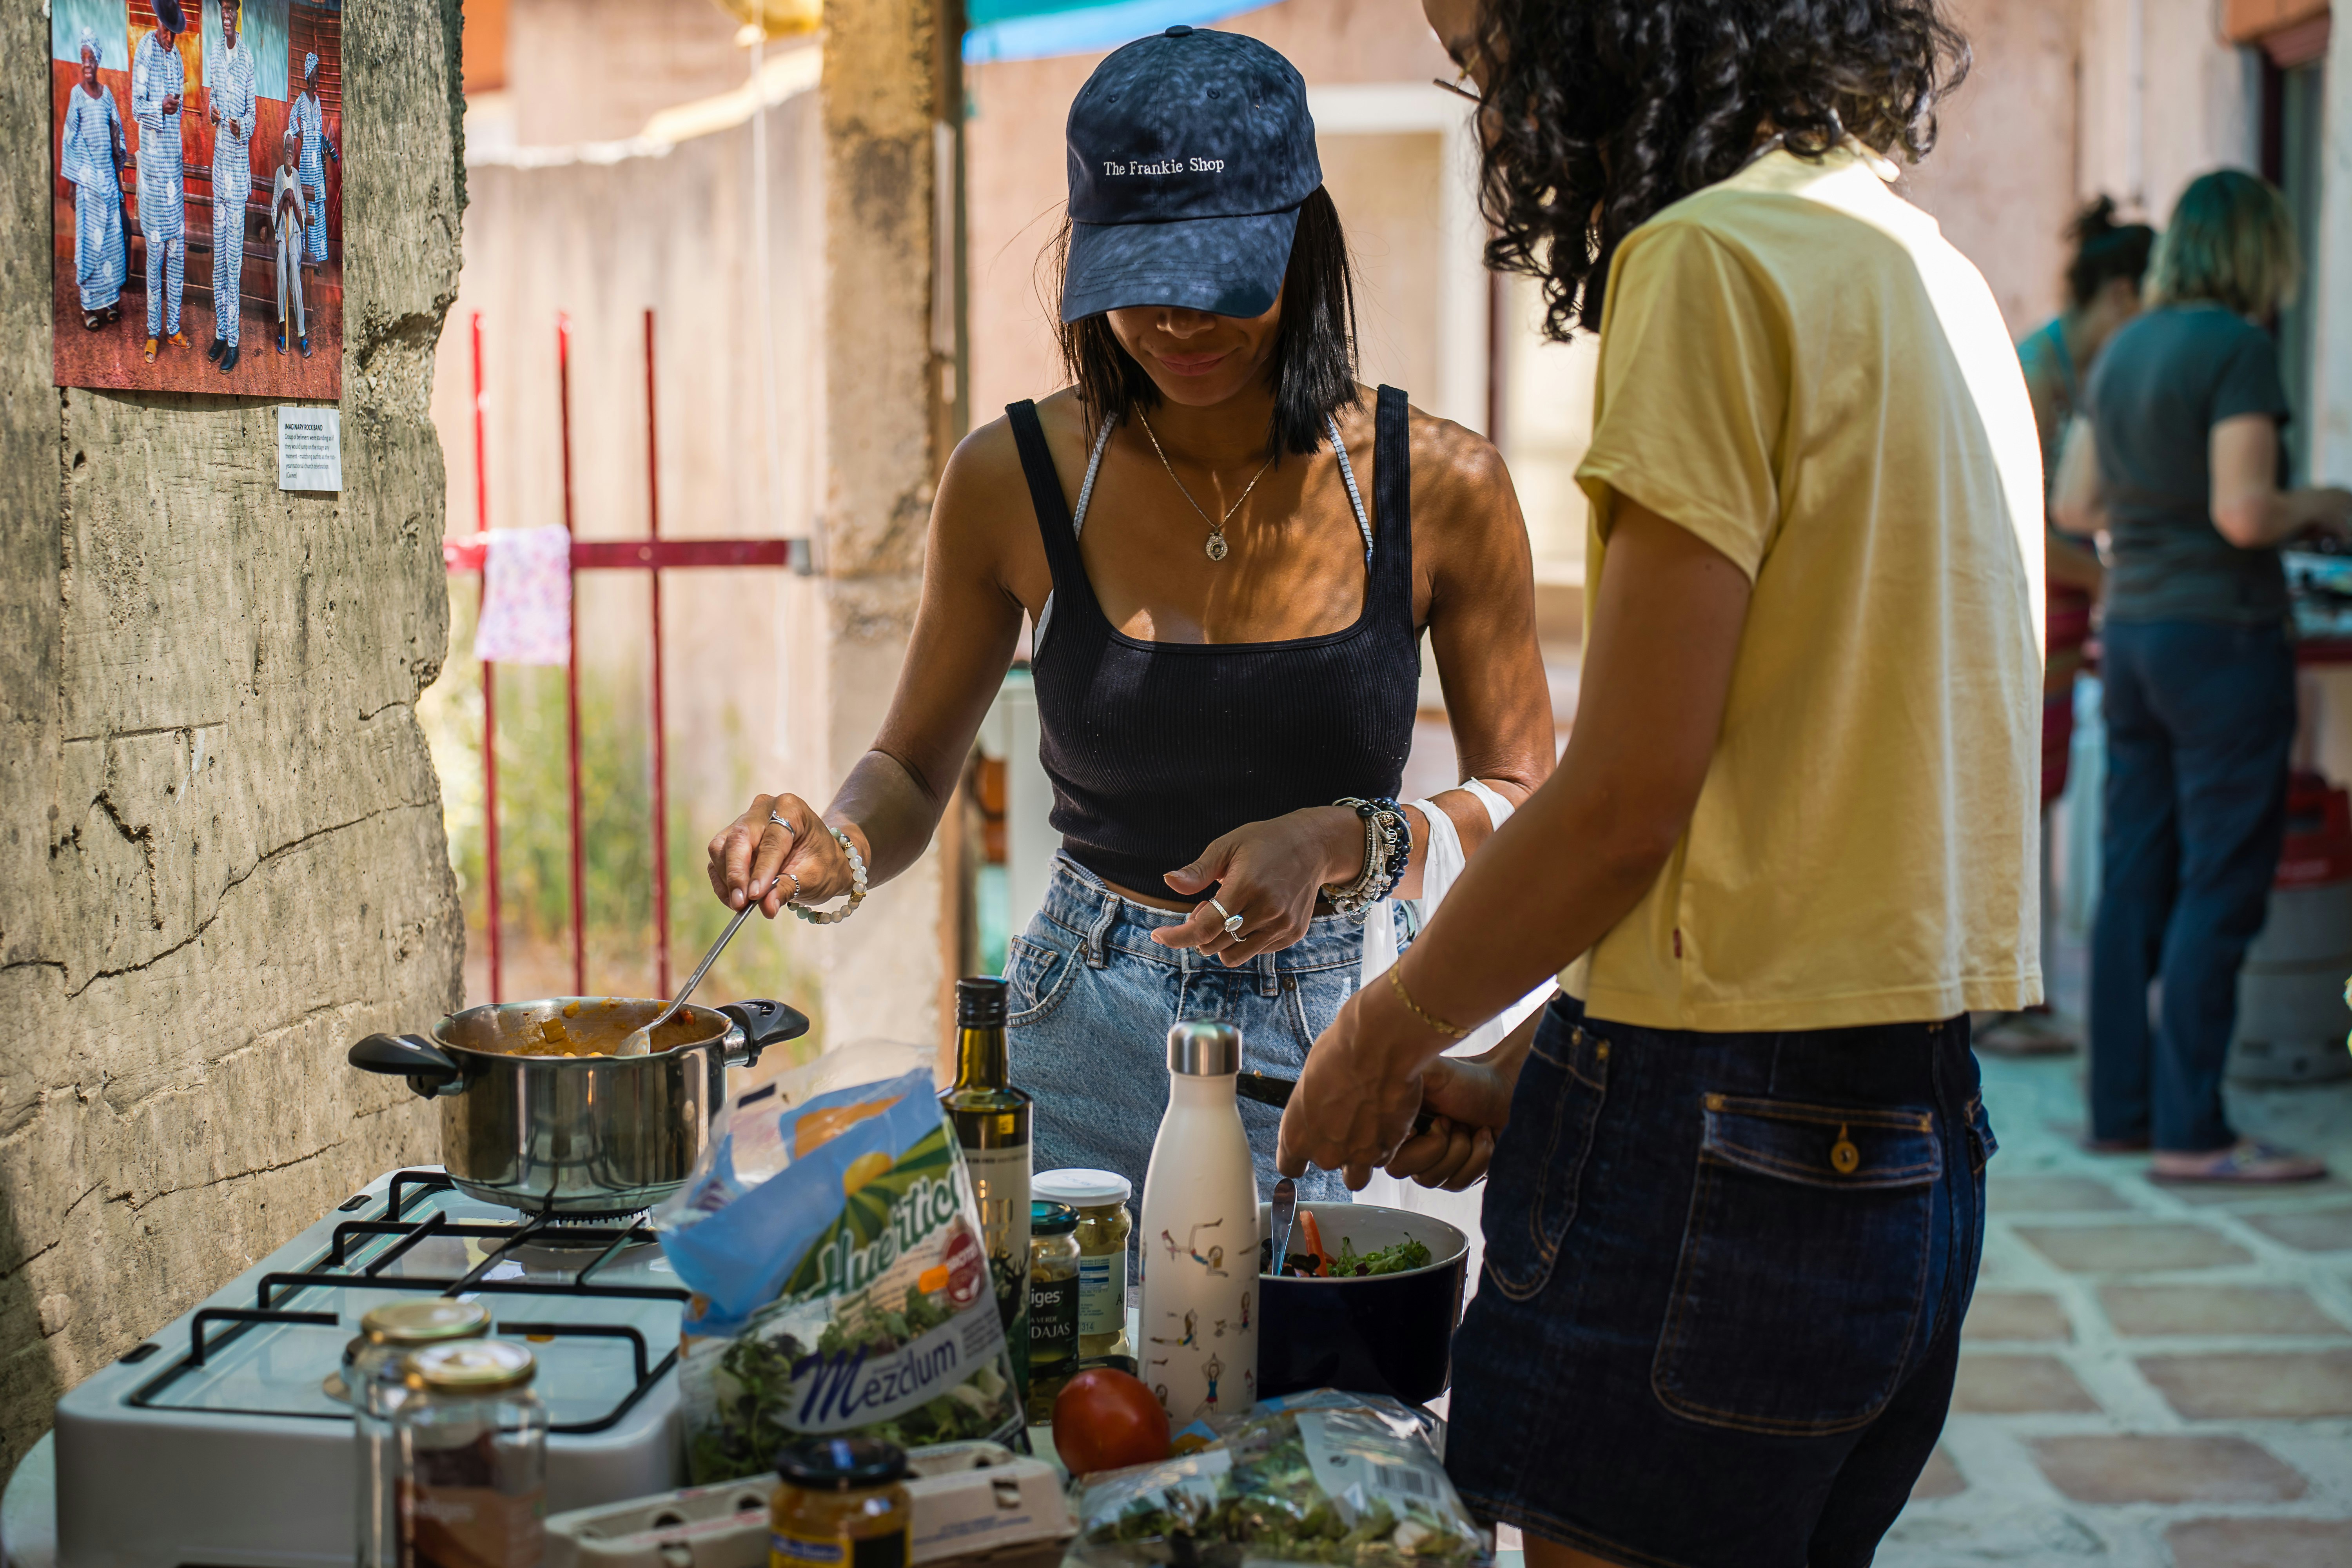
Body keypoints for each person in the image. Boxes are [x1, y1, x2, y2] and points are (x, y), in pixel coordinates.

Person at [1280, 2, 2038, 1564]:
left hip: (1718, 1171)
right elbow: (1800, 821)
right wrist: (1538, 1060)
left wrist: (1387, 1027)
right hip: (1915, 1139)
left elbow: (1629, 798)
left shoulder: (1705, 261)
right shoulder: (1933, 276)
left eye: (1489, 58)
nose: (1496, 113)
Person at [704, 25, 1552, 1201]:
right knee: (1056, 1325)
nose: (1177, 323)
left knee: (1312, 1331)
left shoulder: (1443, 486)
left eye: (1217, 281)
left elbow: (1526, 805)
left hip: (1336, 1035)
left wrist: (1343, 842)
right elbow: (909, 767)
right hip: (1078, 1028)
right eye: (1137, 281)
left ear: (1301, 243)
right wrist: (836, 844)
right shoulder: (1012, 476)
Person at [2054, 170, 2352, 1182]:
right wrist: (2325, 502)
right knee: (2220, 882)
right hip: (2221, 640)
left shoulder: (2126, 347)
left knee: (2136, 874)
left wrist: (2156, 509)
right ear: (2261, 252)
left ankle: (2122, 1111)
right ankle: (2195, 1134)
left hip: (2133, 635)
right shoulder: (2238, 347)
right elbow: (2243, 512)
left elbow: (2075, 503)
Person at [1979, 198, 2156, 1057]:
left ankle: (2022, 995)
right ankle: (1995, 1005)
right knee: (2013, 803)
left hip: (2062, 615)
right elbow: (2019, 524)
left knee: (2040, 804)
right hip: (2028, 614)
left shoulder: (2083, 369)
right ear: (2121, 294)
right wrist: (2116, 577)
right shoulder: (2036, 370)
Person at [131, 0, 189, 365]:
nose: (170, 38)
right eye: (167, 31)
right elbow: (137, 106)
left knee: (177, 254)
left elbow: (179, 110)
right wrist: (160, 107)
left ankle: (174, 327)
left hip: (174, 173)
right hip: (153, 172)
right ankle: (153, 333)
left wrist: (174, 106)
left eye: (175, 33)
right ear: (158, 23)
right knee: (155, 257)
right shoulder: (144, 52)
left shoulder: (178, 58)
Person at [60, 31, 129, 333]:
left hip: (109, 183)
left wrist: (119, 177)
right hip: (88, 186)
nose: (87, 64)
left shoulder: (107, 95)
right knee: (91, 245)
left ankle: (111, 303)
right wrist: (73, 187)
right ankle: (88, 306)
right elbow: (70, 142)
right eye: (83, 58)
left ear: (98, 61)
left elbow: (117, 134)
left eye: (91, 58)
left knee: (111, 244)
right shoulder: (77, 95)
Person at [205, 0, 256, 375]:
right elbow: (212, 101)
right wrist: (213, 113)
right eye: (221, 10)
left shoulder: (248, 59)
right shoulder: (213, 54)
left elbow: (252, 114)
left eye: (230, 10)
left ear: (237, 13)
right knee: (217, 261)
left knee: (233, 263)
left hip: (237, 178)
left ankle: (235, 343)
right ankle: (221, 333)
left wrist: (241, 127)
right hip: (219, 173)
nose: (225, 16)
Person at [290, 51, 338, 269]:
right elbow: (292, 118)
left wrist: (322, 146)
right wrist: (302, 136)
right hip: (306, 161)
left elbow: (319, 129)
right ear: (308, 76)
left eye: (319, 76)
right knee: (306, 204)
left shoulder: (317, 102)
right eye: (315, 76)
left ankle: (316, 258)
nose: (318, 80)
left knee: (318, 204)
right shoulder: (302, 100)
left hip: (317, 162)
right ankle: (304, 255)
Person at [269, 127, 309, 356]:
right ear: (282, 150)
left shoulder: (297, 176)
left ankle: (302, 334)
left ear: (294, 152)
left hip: (294, 236)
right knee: (281, 268)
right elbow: (274, 218)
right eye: (286, 147)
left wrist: (293, 202)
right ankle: (282, 328)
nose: (289, 151)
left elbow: (302, 224)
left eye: (291, 148)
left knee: (294, 265)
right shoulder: (278, 175)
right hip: (282, 236)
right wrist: (284, 197)